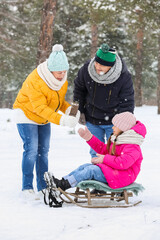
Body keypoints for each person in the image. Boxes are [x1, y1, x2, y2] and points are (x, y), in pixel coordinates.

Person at [13, 44, 79, 198]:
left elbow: (58, 102)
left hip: (44, 117)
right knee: (31, 150)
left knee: (43, 151)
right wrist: (62, 120)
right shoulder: (35, 81)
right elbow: (40, 107)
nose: (62, 75)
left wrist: (70, 111)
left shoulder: (61, 81)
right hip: (27, 114)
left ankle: (43, 186)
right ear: (50, 70)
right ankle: (27, 187)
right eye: (58, 72)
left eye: (64, 72)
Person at [50, 112, 146, 191]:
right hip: (115, 172)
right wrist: (90, 138)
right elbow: (104, 150)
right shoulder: (120, 140)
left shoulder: (132, 146)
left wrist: (104, 159)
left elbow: (123, 163)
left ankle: (63, 186)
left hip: (123, 176)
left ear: (123, 128)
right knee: (85, 167)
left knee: (91, 170)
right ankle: (62, 181)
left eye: (115, 126)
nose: (112, 128)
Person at [73, 43, 135, 159]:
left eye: (102, 65)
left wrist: (123, 123)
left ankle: (110, 177)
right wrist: (76, 110)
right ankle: (95, 176)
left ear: (111, 66)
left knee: (113, 154)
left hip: (114, 123)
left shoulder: (123, 76)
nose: (97, 66)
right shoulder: (87, 70)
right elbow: (78, 90)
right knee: (96, 153)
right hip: (92, 118)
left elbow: (127, 101)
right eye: (96, 62)